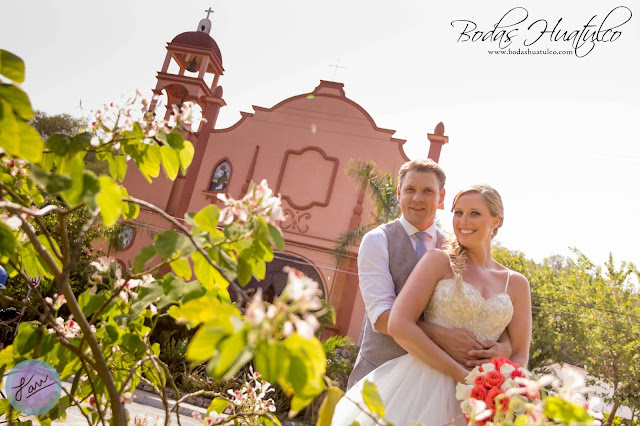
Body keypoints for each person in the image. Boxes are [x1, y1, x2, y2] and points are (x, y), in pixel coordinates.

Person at [333, 184, 532, 425]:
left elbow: (521, 354)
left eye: (474, 213)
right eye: (458, 213)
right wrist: (463, 377)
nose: (463, 221)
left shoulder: (517, 283)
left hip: (486, 400)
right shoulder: (438, 261)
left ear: (496, 221)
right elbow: (398, 324)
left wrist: (502, 385)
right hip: (422, 387)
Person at [348, 160, 511, 389]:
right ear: (398, 193)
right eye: (410, 190)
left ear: (441, 197)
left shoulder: (456, 248)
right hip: (379, 377)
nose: (418, 198)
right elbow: (383, 317)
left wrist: (505, 347)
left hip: (436, 383)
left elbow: (483, 306)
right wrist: (443, 335)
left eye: (428, 191)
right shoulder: (378, 241)